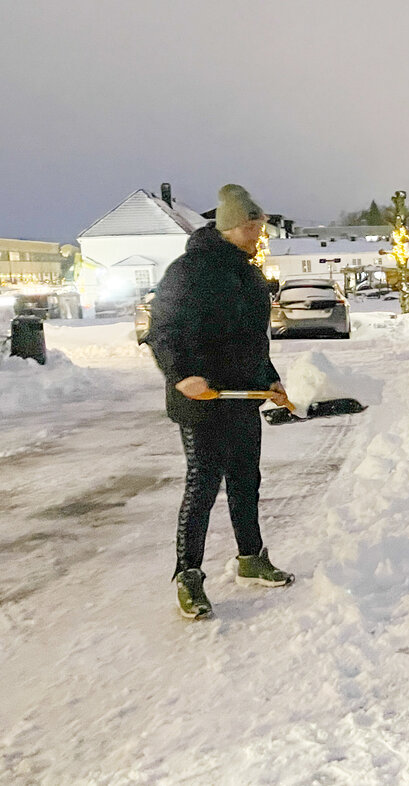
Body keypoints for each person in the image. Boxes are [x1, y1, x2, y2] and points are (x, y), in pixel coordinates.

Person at [149, 184, 294, 621]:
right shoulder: (188, 271)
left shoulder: (248, 274)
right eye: (254, 227)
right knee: (203, 486)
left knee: (246, 480)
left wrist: (270, 381)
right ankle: (188, 575)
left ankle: (251, 558)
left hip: (241, 397)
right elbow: (163, 331)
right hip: (201, 398)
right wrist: (180, 376)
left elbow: (254, 341)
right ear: (235, 227)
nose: (259, 235)